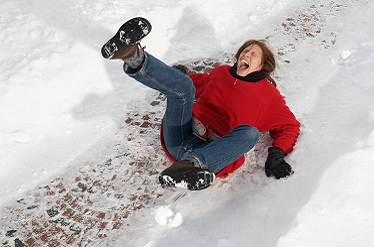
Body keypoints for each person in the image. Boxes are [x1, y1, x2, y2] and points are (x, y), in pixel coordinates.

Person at [101, 17, 300, 190]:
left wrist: (277, 153)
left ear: (263, 65)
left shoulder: (270, 96)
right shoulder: (221, 72)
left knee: (250, 133)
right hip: (179, 137)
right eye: (244, 51)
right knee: (185, 87)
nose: (245, 55)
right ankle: (133, 56)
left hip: (213, 154)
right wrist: (180, 78)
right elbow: (198, 83)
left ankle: (190, 169)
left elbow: (290, 125)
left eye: (252, 53)